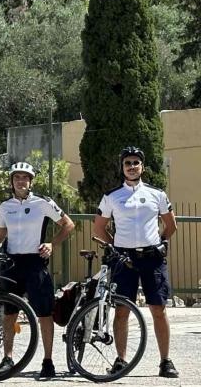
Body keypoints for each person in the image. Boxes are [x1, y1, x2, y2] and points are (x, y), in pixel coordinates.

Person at [0, 162, 74, 379]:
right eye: (17, 177)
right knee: (9, 314)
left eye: (25, 177)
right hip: (11, 263)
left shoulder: (43, 203)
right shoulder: (5, 206)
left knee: (44, 314)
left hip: (35, 263)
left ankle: (48, 361)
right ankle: (7, 359)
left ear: (31, 181)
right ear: (12, 181)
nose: (21, 181)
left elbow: (68, 224)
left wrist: (52, 244)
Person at [93, 146, 178, 378]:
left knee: (158, 309)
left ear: (142, 167)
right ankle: (120, 360)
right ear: (122, 167)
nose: (131, 167)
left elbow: (171, 225)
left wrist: (160, 242)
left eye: (135, 163)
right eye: (127, 163)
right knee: (121, 310)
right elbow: (99, 227)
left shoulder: (157, 194)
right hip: (123, 258)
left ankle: (165, 361)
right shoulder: (111, 196)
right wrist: (114, 245)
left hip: (152, 257)